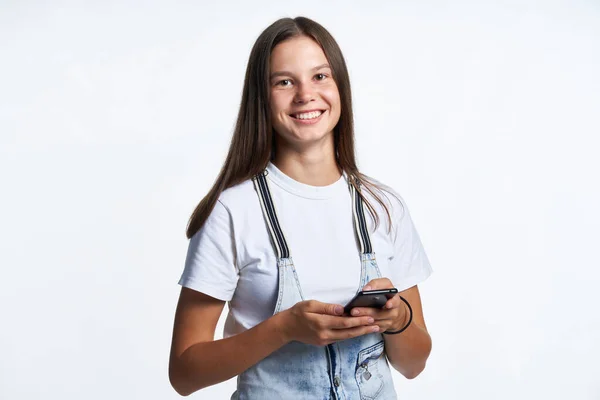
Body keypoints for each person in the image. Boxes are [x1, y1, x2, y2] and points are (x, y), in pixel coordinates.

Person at [168, 16, 433, 399]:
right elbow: (184, 374)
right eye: (284, 81)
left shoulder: (383, 207)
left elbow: (413, 364)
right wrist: (284, 328)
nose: (305, 94)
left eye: (320, 77)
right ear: (262, 97)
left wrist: (398, 319)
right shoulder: (232, 211)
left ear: (340, 86)